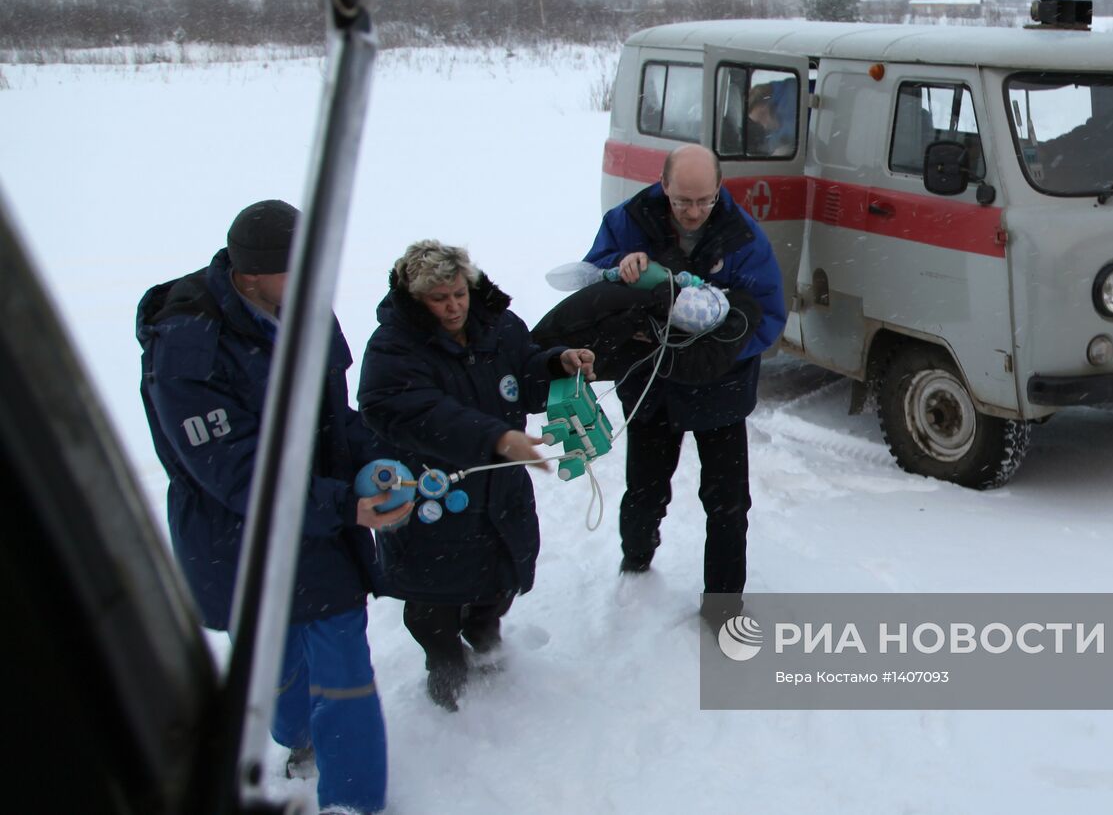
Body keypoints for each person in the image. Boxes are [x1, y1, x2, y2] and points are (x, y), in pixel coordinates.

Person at [137, 199, 406, 815]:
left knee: (342, 660)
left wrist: (377, 459)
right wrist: (346, 505)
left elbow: (334, 418)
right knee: (276, 652)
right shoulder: (186, 347)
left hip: (319, 522)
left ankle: (353, 803)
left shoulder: (304, 308)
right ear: (248, 275)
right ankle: (301, 738)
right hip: (239, 535)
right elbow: (235, 474)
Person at [357, 240, 594, 712]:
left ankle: (486, 638)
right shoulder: (392, 348)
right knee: (432, 607)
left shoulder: (498, 326)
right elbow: (417, 411)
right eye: (439, 298)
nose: (453, 307)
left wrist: (556, 363)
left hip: (499, 489)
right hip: (435, 498)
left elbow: (525, 373)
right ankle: (446, 678)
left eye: (459, 294)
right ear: (415, 299)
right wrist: (494, 437)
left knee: (498, 580)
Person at [583, 143, 785, 628]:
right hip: (652, 384)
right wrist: (619, 269)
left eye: (704, 201)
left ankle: (723, 603)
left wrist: (713, 346)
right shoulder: (628, 221)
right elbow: (590, 277)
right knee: (645, 489)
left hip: (721, 386)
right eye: (682, 201)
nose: (694, 213)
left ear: (719, 190)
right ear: (664, 185)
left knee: (728, 503)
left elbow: (769, 315)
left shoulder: (744, 238)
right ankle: (636, 560)